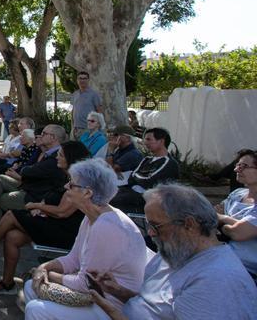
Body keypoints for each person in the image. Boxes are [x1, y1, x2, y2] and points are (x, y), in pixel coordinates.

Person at [89, 184, 257, 319]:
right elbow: (155, 306)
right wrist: (119, 291)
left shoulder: (216, 280)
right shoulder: (175, 251)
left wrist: (113, 313)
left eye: (156, 225)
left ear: (189, 224)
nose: (151, 233)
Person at [23, 159, 147, 319]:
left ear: (88, 193)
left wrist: (45, 273)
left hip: (111, 308)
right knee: (30, 287)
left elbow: (85, 283)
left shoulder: (107, 226)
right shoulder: (92, 217)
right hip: (96, 298)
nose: (66, 187)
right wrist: (45, 267)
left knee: (36, 309)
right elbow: (73, 259)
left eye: (72, 184)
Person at [0, 141, 90, 295]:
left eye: (60, 155)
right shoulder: (65, 177)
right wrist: (41, 207)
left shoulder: (79, 182)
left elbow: (62, 212)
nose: (57, 158)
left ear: (71, 158)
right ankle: (7, 283)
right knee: (12, 236)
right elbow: (52, 198)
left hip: (65, 231)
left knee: (12, 214)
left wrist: (37, 206)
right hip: (51, 221)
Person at [0, 125, 72, 236]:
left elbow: (30, 171)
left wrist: (23, 170)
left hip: (36, 194)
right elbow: (30, 168)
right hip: (31, 186)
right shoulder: (47, 151)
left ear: (53, 138)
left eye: (44, 134)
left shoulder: (56, 156)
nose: (40, 136)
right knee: (0, 178)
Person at [110, 128, 179, 214]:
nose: (145, 142)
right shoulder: (147, 159)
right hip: (131, 193)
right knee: (103, 194)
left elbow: (149, 181)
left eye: (149, 139)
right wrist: (138, 176)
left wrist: (136, 176)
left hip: (147, 200)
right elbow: (132, 178)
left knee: (108, 200)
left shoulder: (169, 162)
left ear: (161, 141)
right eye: (145, 139)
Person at [216, 149, 257, 276]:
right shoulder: (237, 194)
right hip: (221, 259)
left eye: (243, 166)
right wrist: (231, 222)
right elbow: (211, 214)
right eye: (237, 165)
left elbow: (238, 233)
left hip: (246, 270)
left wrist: (222, 218)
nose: (236, 170)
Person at [71, 71, 103, 139]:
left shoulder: (94, 94)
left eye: (84, 78)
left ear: (88, 80)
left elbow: (99, 112)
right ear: (77, 80)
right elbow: (73, 111)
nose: (82, 80)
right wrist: (73, 127)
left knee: (85, 149)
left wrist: (99, 128)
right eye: (80, 78)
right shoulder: (75, 94)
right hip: (75, 129)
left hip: (88, 129)